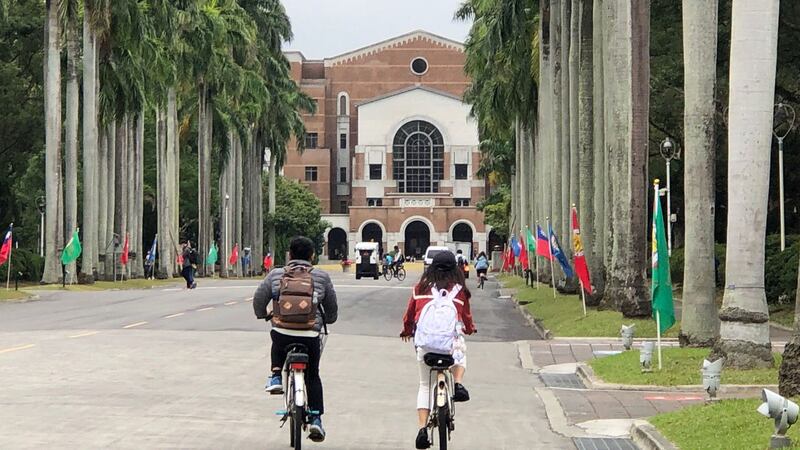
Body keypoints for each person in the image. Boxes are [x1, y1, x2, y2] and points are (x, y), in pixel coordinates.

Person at [253, 236, 338, 442]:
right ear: (312, 256)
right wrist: (328, 318)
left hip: (283, 332)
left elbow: (259, 299)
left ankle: (275, 375)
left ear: (289, 255)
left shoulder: (276, 274)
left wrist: (262, 314)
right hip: (310, 334)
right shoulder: (321, 276)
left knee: (277, 336)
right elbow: (332, 309)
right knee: (313, 375)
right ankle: (316, 420)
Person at [400, 250, 476, 449]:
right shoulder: (460, 290)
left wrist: (406, 331)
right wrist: (469, 329)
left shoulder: (420, 287)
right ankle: (458, 383)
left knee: (425, 385)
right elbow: (466, 318)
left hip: (425, 347)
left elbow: (409, 315)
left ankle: (422, 429)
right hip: (449, 348)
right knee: (460, 349)